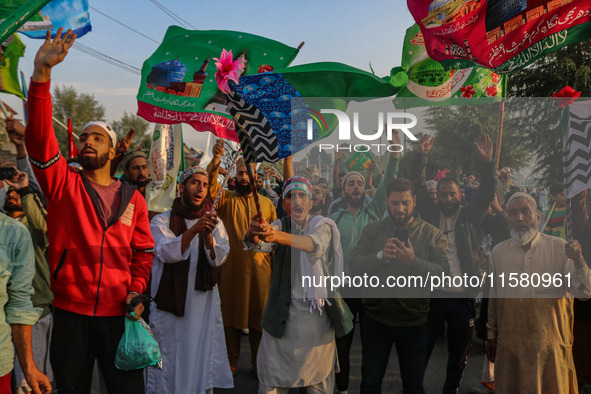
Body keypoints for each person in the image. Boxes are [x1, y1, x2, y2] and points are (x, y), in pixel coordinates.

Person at [24, 29, 154, 393]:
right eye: (84, 137)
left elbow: (143, 253)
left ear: (113, 152)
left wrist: (137, 289)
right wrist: (41, 75)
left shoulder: (134, 200)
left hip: (120, 316)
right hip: (70, 314)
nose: (88, 141)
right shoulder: (63, 184)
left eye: (97, 138)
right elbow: (38, 139)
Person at [245, 176, 353, 393]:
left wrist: (276, 236)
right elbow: (258, 245)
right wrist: (254, 233)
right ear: (284, 204)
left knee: (318, 385)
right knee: (271, 383)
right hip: (280, 321)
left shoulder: (323, 225)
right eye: (291, 197)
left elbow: (313, 245)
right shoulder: (279, 225)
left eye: (302, 196)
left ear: (311, 203)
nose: (297, 201)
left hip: (316, 324)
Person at [411, 134, 495, 394]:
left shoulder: (470, 215)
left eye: (452, 194)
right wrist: (422, 155)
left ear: (460, 195)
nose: (447, 199)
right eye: (443, 194)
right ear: (436, 196)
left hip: (462, 297)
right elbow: (415, 184)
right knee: (421, 348)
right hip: (431, 295)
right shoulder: (427, 212)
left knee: (459, 351)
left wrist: (486, 162)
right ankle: (414, 388)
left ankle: (451, 390)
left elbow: (487, 192)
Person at [349, 178, 449, 394]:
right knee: (369, 384)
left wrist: (413, 262)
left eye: (405, 202)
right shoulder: (372, 230)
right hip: (376, 320)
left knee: (413, 386)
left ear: (414, 200)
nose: (400, 208)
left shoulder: (432, 234)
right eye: (394, 203)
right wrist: (380, 256)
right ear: (386, 201)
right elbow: (354, 266)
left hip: (414, 323)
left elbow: (443, 276)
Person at [486, 192, 591, 393]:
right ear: (507, 218)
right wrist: (492, 335)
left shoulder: (560, 248)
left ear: (538, 216)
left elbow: (584, 292)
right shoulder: (498, 253)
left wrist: (578, 260)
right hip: (511, 348)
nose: (520, 218)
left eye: (526, 211)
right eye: (513, 213)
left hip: (551, 350)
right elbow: (495, 297)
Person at [146, 166, 233, 393]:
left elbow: (219, 259)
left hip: (203, 306)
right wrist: (193, 231)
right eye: (195, 182)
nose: (201, 188)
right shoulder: (161, 221)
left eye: (205, 185)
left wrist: (207, 239)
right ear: (181, 187)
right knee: (168, 360)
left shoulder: (214, 223)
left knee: (198, 359)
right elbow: (166, 252)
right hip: (169, 308)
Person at [330, 132, 401, 394]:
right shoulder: (334, 216)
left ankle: (369, 388)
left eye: (359, 183)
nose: (356, 187)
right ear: (344, 189)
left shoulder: (373, 211)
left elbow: (387, 185)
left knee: (372, 344)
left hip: (370, 287)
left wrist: (394, 155)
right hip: (342, 288)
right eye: (351, 184)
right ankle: (343, 389)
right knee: (343, 342)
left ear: (365, 188)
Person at [206, 140, 277, 376]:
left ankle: (259, 361)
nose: (243, 177)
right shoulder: (226, 199)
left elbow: (274, 239)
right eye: (240, 173)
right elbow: (211, 190)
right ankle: (230, 361)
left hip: (261, 272)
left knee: (259, 317)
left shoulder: (266, 203)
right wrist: (216, 161)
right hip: (233, 271)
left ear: (255, 175)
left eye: (247, 172)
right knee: (231, 317)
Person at [3, 170, 54, 393]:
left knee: (29, 381)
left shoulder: (30, 228)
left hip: (35, 309)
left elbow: (42, 224)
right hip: (5, 317)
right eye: (8, 191)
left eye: (17, 193)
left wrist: (25, 190)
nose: (11, 194)